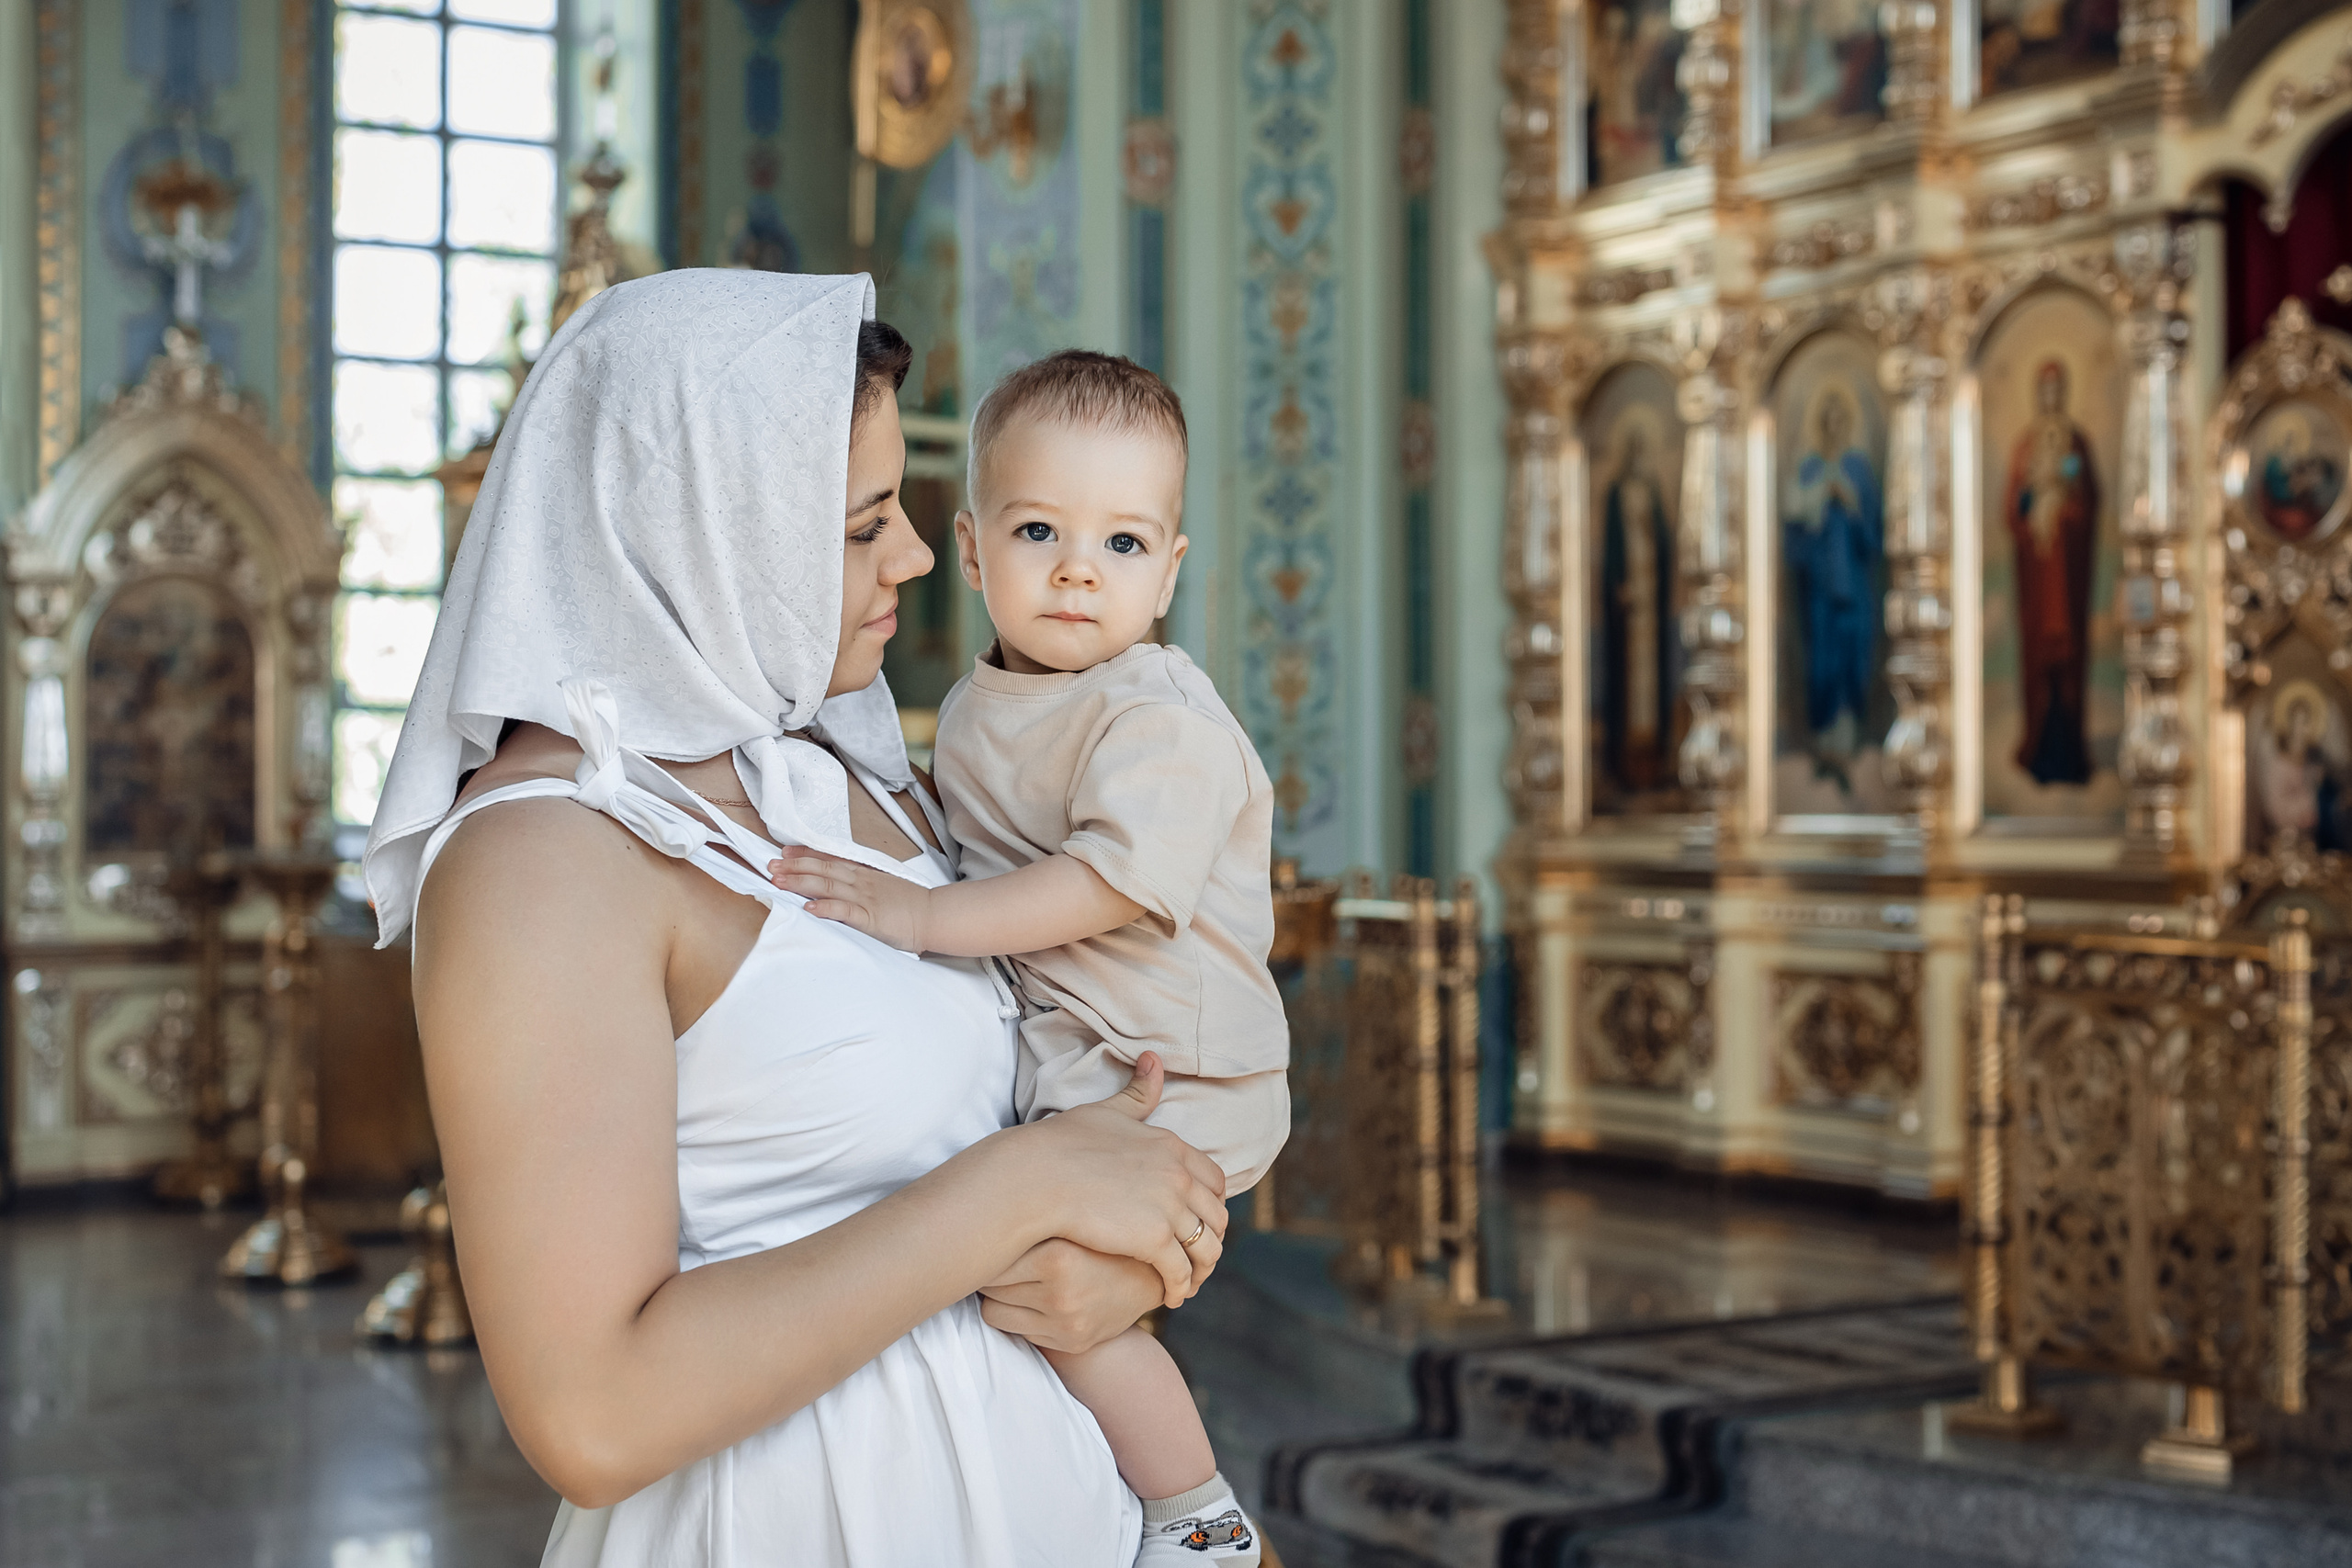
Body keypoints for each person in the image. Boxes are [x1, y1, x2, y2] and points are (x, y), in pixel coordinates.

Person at [362, 271, 1230, 1566]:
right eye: (862, 524)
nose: (922, 557)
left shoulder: (844, 773)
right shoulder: (543, 857)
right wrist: (1016, 1190)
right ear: (705, 525)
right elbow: (591, 1411)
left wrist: (1123, 1260)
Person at [769, 351, 1288, 1564]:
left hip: (1175, 1073)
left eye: (1121, 544)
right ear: (970, 541)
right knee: (1006, 1279)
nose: (1073, 569)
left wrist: (916, 922)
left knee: (1069, 1305)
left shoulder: (1156, 711)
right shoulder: (974, 700)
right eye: (1041, 528)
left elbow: (1105, 881)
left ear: (1169, 567)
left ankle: (1201, 1521)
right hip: (1080, 1047)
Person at [2003, 357, 2100, 786]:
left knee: (2069, 659)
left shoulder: (2075, 444)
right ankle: (2038, 748)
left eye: (2057, 389)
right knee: (2039, 659)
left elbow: (2089, 501)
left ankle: (2071, 752)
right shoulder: (2025, 447)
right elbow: (2012, 510)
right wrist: (2032, 500)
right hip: (2038, 580)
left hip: (2069, 576)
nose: (2051, 397)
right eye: (2045, 390)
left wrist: (2064, 506)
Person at [1783, 382, 1882, 772]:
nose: (1835, 428)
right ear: (1822, 425)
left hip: (1853, 585)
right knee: (1822, 659)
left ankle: (1848, 737)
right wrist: (1820, 499)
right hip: (1821, 586)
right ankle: (1825, 741)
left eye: (1842, 421)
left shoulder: (1857, 468)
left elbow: (1872, 530)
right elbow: (1795, 530)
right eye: (1829, 421)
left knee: (1852, 655)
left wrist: (1851, 502)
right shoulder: (1810, 468)